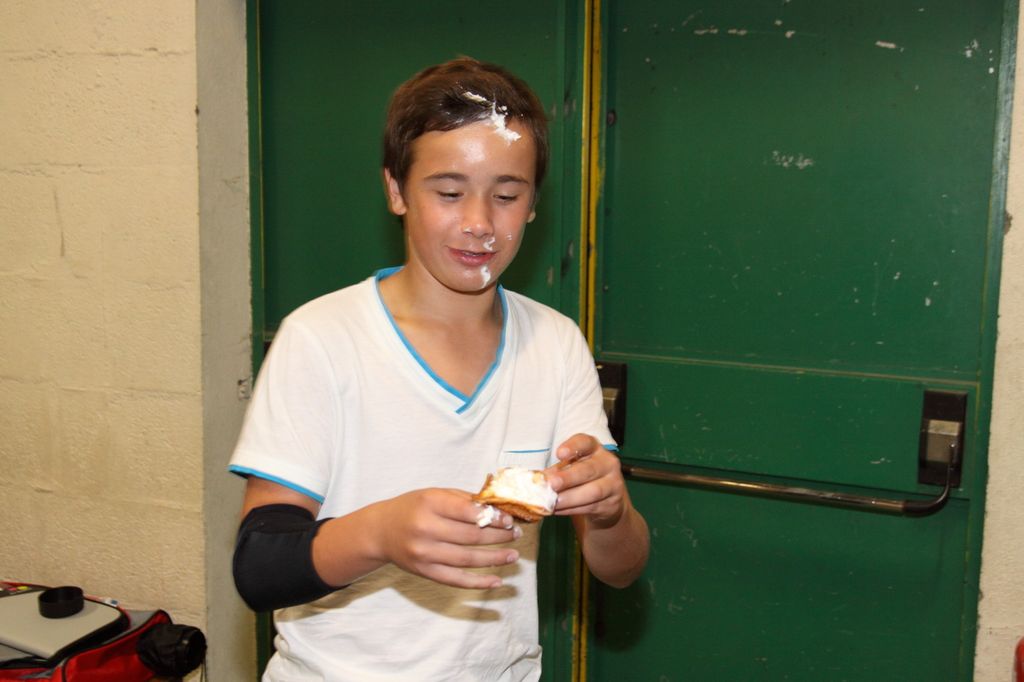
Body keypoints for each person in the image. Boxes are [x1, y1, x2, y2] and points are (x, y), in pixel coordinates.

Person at [229, 56, 650, 681]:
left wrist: (610, 511)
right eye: (449, 193)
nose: (479, 223)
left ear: (533, 204)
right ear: (397, 191)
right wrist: (380, 533)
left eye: (506, 195)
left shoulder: (556, 344)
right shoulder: (321, 338)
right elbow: (260, 567)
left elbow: (620, 568)